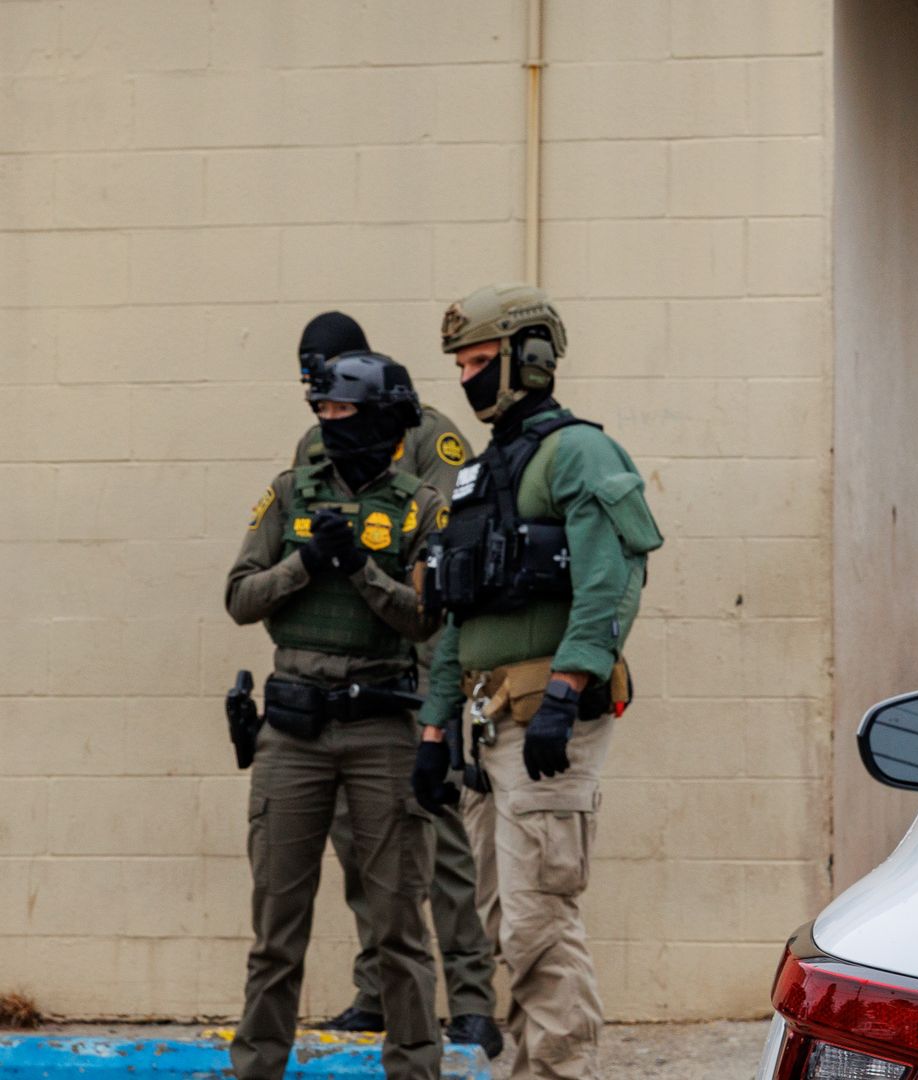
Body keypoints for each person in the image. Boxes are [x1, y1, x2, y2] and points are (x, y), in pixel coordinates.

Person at [412, 283, 663, 1080]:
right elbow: (459, 614)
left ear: (530, 359)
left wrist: (566, 688)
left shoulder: (580, 453)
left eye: (481, 362)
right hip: (487, 730)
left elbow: (612, 580)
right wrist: (433, 725)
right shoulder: (482, 475)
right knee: (501, 926)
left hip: (545, 721)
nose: (466, 379)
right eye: (459, 365)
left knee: (539, 925)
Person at [224, 352, 449, 1080]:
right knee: (276, 932)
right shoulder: (291, 494)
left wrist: (359, 567)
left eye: (343, 413)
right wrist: (305, 563)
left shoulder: (419, 506)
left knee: (398, 931)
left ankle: (415, 1069)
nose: (327, 424)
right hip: (292, 730)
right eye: (321, 412)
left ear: (382, 419)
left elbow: (427, 622)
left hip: (381, 726)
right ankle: (258, 1068)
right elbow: (239, 599)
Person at [290, 313, 502, 1057]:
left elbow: (450, 541)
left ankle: (472, 999)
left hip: (419, 658)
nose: (320, 402)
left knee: (437, 832)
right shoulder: (314, 442)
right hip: (349, 667)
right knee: (358, 840)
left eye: (328, 380)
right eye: (311, 387)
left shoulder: (426, 431)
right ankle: (377, 991)